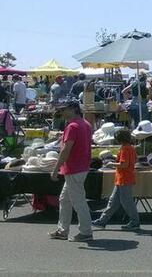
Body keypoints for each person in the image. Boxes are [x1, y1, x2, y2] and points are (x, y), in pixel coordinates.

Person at [48, 101, 93, 242]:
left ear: (73, 109)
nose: (62, 112)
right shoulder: (85, 124)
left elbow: (66, 150)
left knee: (78, 201)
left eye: (64, 109)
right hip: (81, 167)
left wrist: (55, 170)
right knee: (65, 199)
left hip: (74, 168)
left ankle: (86, 232)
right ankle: (63, 230)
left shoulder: (72, 126)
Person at [92, 129, 140, 230]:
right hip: (123, 178)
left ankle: (135, 222)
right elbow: (133, 161)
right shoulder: (131, 148)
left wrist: (112, 164)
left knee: (126, 202)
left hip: (124, 178)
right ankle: (102, 221)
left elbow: (124, 164)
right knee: (113, 202)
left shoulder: (125, 149)